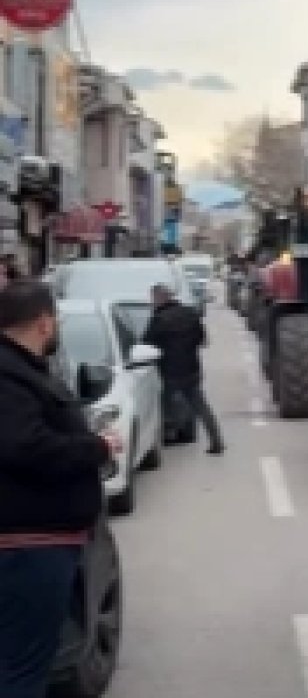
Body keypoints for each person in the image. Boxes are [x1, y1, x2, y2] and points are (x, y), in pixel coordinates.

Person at [0, 280, 118, 698]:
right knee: (22, 672)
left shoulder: (22, 370)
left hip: (35, 543)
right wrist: (97, 447)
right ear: (45, 323)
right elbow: (26, 447)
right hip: (26, 548)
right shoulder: (10, 375)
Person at [142, 284, 225, 455]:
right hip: (191, 369)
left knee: (163, 404)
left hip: (169, 371)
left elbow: (147, 343)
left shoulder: (159, 319)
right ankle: (216, 440)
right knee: (200, 405)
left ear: (160, 298)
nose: (152, 302)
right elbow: (203, 339)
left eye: (153, 298)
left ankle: (168, 436)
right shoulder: (190, 313)